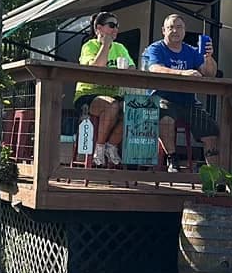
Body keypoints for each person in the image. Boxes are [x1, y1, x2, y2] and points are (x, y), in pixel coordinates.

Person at [141, 13, 219, 169]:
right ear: (163, 30)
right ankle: (172, 158)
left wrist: (209, 57)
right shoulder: (155, 48)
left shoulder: (191, 51)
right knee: (165, 119)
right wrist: (183, 72)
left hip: (189, 102)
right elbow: (155, 68)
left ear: (184, 30)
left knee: (211, 130)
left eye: (179, 27)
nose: (175, 31)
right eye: (171, 27)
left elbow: (209, 73)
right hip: (163, 98)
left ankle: (215, 176)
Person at [74, 11, 133, 167]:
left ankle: (111, 145)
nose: (115, 29)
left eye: (117, 26)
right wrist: (105, 45)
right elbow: (95, 68)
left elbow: (132, 68)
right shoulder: (89, 46)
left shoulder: (120, 47)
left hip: (113, 94)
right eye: (111, 25)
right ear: (98, 28)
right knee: (111, 105)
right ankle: (99, 148)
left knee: (133, 109)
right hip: (88, 94)